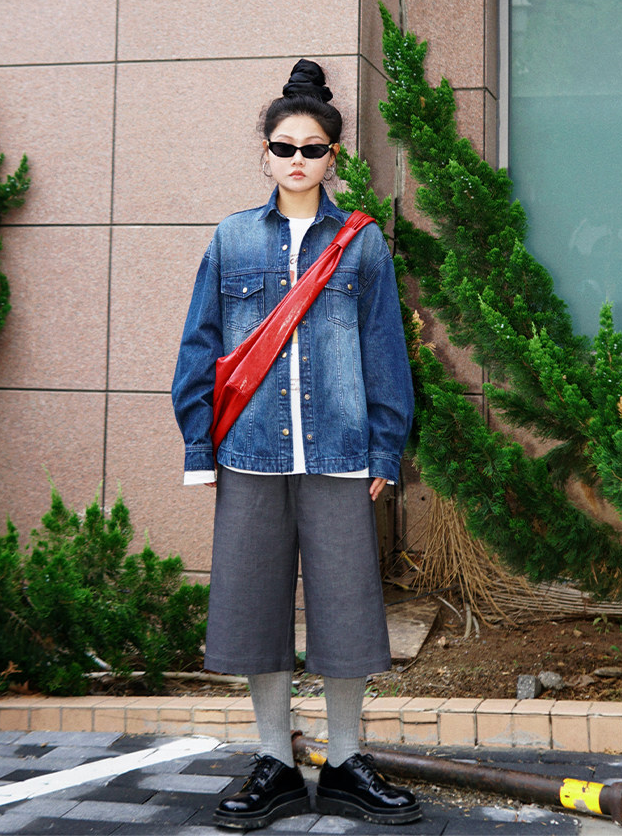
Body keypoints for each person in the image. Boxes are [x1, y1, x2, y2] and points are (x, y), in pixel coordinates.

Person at [172, 59, 421, 831]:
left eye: (313, 149)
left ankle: (345, 762)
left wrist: (386, 448)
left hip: (341, 453)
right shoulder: (231, 239)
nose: (298, 161)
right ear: (266, 152)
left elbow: (386, 352)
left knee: (348, 611)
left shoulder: (361, 246)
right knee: (254, 609)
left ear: (332, 156)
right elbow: (200, 345)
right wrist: (199, 447)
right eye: (285, 148)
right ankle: (274, 762)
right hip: (250, 452)